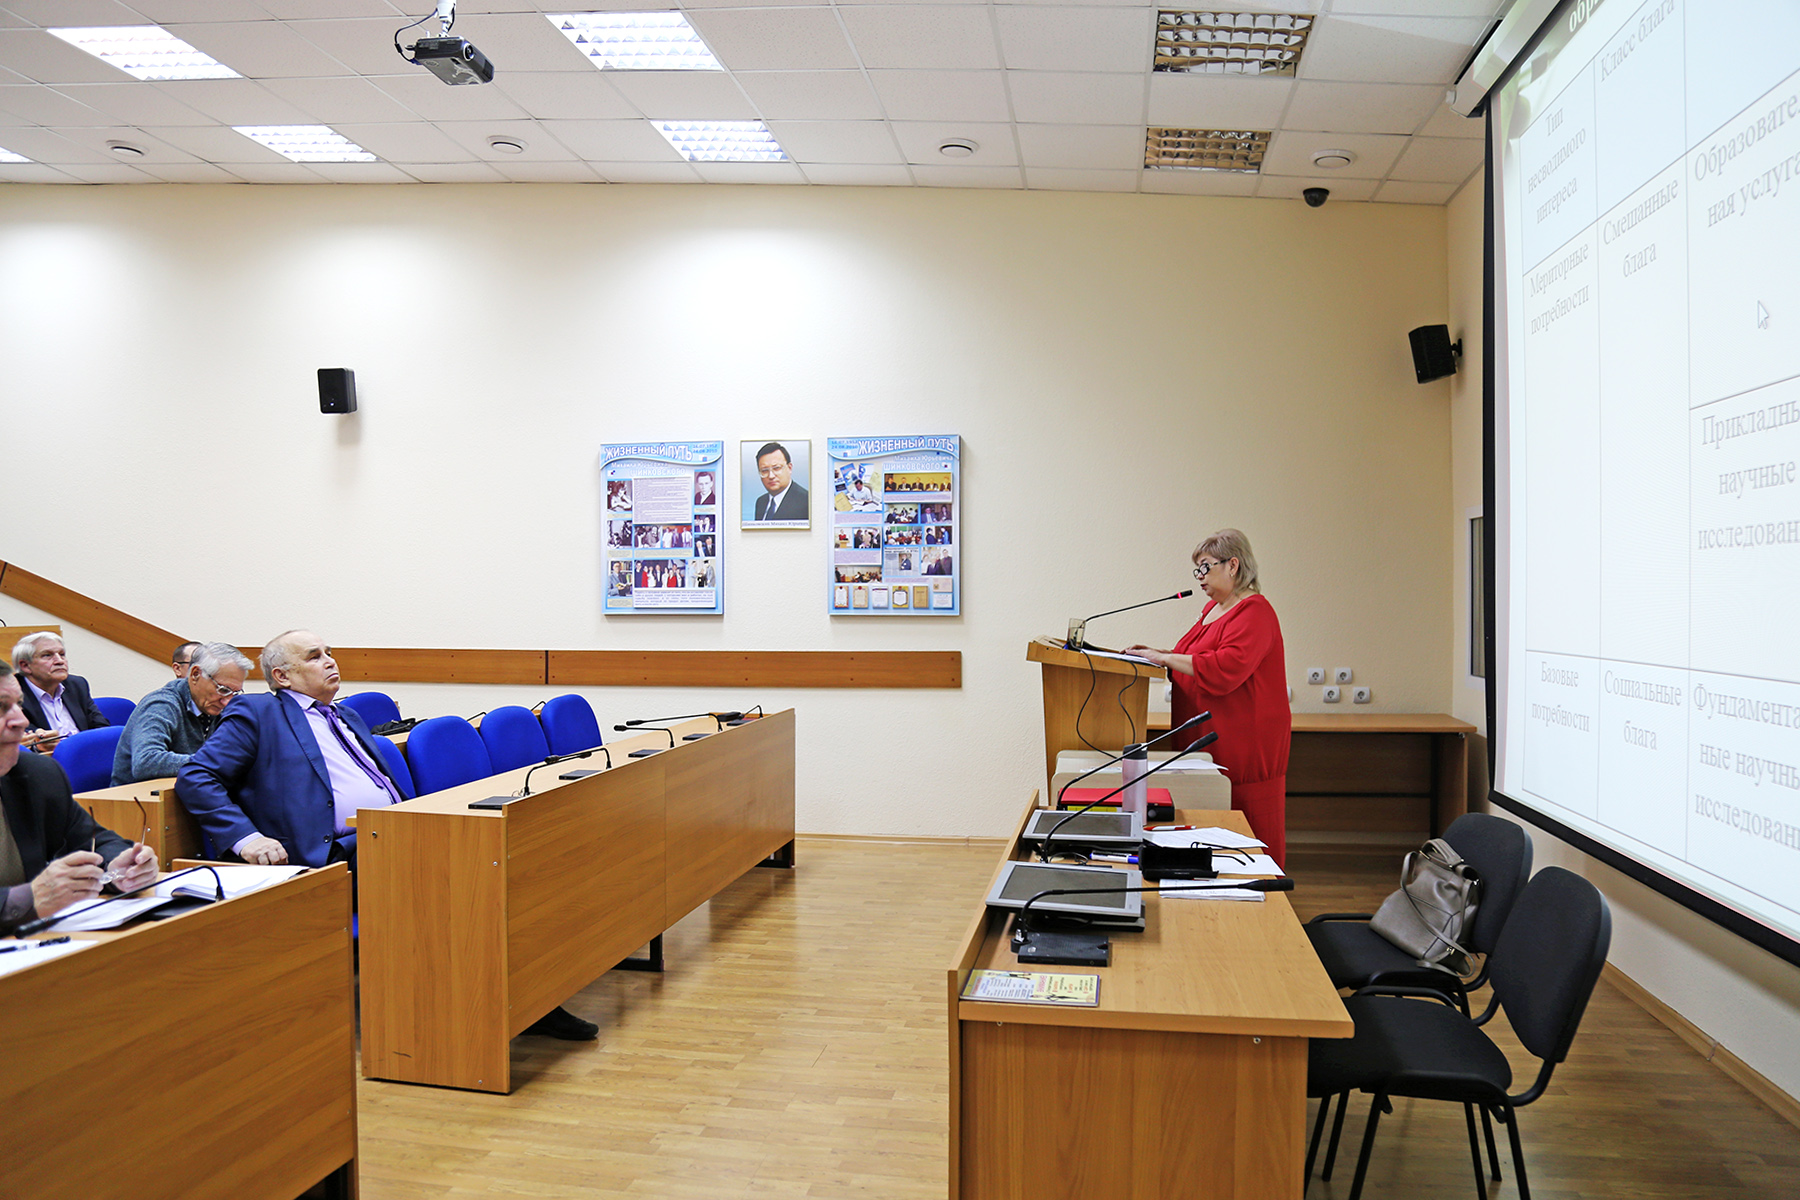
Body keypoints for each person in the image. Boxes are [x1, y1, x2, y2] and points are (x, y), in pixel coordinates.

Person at [177, 631, 597, 1041]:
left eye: (329, 652)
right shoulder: (258, 713)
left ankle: (530, 999)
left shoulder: (346, 715)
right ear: (282, 676)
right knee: (478, 876)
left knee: (515, 859)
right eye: (313, 656)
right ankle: (486, 1013)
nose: (329, 661)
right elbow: (197, 777)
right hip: (337, 853)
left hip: (394, 835)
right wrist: (246, 837)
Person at [1126, 529, 1290, 866]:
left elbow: (1226, 667)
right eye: (1197, 569)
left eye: (1205, 567)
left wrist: (1166, 658)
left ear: (1233, 565)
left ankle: (1259, 888)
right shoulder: (1212, 610)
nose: (1199, 577)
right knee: (1206, 825)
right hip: (1204, 736)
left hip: (1240, 743)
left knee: (1244, 831)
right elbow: (1194, 657)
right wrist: (1158, 655)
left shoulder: (1254, 611)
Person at [0, 662, 157, 934]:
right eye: (2, 707)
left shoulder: (36, 773)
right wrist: (26, 899)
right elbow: (28, 899)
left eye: (19, 705)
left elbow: (93, 840)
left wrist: (120, 866)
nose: (22, 721)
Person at [111, 642, 250, 785]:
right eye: (223, 689)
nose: (227, 702)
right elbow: (146, 762)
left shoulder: (214, 706)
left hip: (188, 789)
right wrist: (212, 761)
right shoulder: (161, 704)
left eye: (234, 693)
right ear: (195, 674)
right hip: (138, 796)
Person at [12, 632, 107, 752]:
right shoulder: (9, 694)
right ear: (25, 666)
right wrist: (38, 743)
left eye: (62, 654)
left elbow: (101, 727)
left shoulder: (77, 685)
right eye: (47, 655)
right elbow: (22, 737)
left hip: (86, 755)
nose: (59, 661)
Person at [753, 442, 809, 521]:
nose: (771, 476)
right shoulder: (761, 502)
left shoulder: (807, 501)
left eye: (776, 468)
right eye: (764, 470)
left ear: (789, 468)